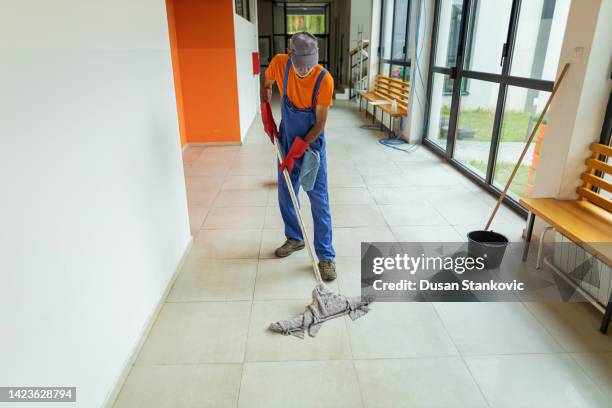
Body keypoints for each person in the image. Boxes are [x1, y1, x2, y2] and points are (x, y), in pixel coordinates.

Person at [261, 31, 336, 281]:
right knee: (286, 194)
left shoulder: (324, 79)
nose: (304, 71)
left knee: (319, 200)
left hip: (311, 146)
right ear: (291, 55)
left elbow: (320, 124)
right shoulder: (280, 63)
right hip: (286, 140)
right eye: (300, 67)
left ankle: (326, 256)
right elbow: (267, 82)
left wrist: (299, 149)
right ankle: (295, 238)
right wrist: (265, 109)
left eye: (309, 67)